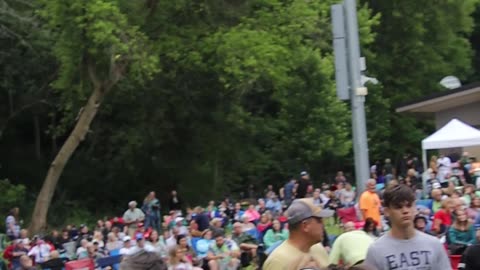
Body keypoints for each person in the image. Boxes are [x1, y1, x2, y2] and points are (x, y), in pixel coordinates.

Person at [365, 184, 451, 269]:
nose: (405, 211)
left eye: (409, 206)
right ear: (387, 211)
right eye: (398, 207)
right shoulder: (376, 250)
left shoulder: (434, 244)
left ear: (415, 207)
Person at [263, 198, 333, 270]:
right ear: (305, 226)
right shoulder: (277, 261)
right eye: (319, 221)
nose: (323, 226)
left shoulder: (318, 248)